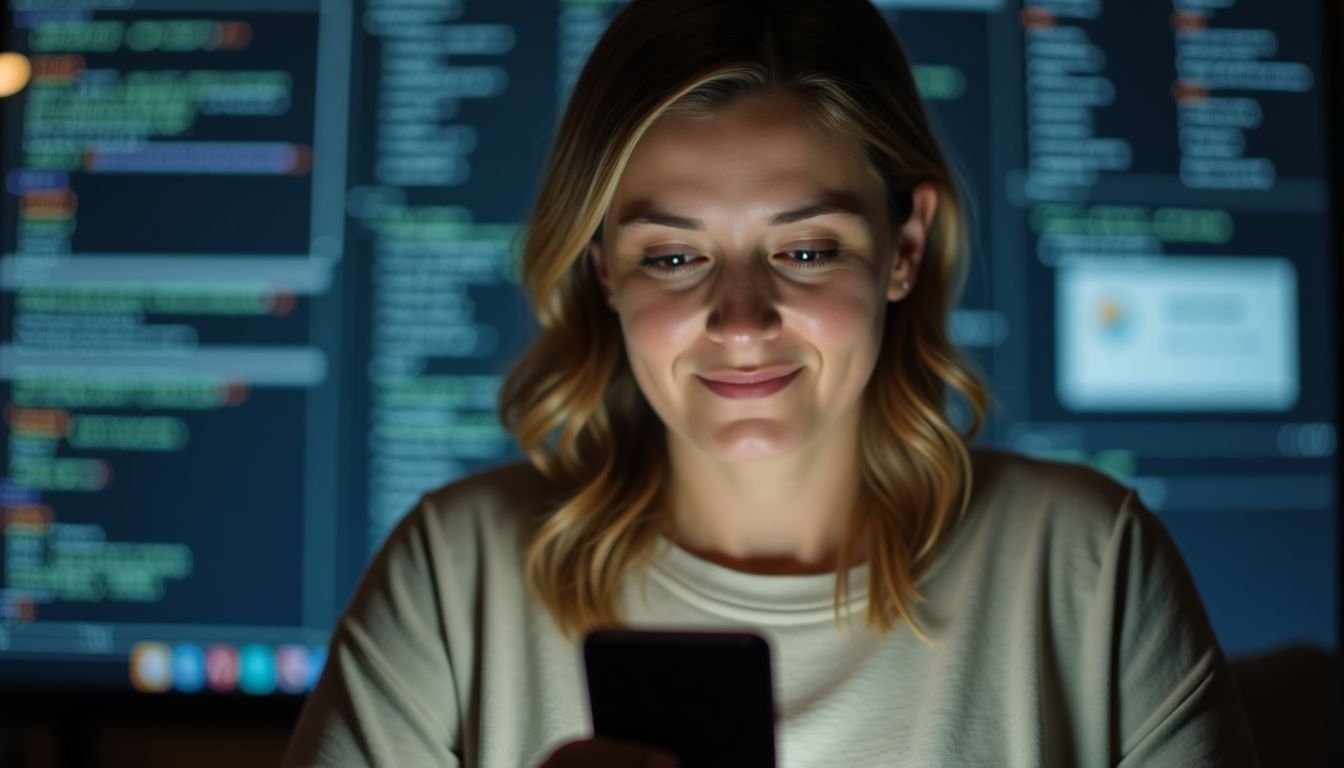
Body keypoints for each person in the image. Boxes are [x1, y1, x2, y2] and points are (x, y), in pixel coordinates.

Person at [284, 0, 1257, 765]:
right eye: (672, 258)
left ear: (904, 247)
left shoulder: (1091, 565)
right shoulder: (454, 577)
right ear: (602, 270)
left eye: (804, 248)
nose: (741, 320)